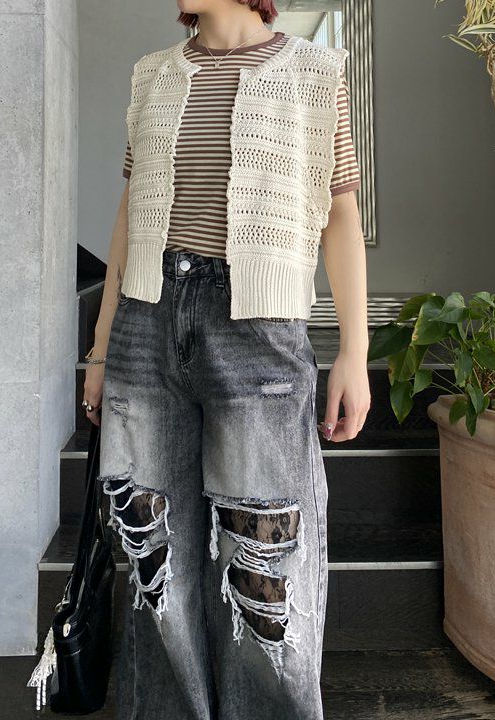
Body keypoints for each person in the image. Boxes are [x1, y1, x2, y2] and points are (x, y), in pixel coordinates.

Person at [82, 1, 370, 718]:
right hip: (146, 323)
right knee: (154, 564)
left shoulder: (315, 71)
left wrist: (354, 351)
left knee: (265, 566)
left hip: (258, 334)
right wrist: (102, 348)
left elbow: (341, 213)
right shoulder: (152, 74)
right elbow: (130, 213)